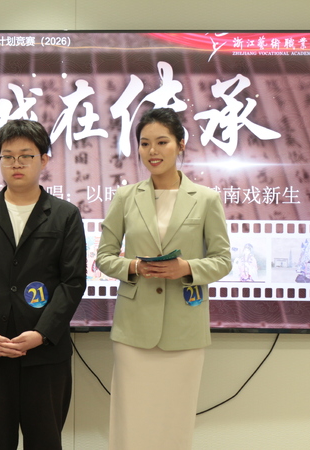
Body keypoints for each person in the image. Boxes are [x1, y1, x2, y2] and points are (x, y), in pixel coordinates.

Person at [96, 108, 232, 450]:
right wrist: (134, 267)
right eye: (144, 144)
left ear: (180, 145)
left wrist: (187, 269)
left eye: (162, 142)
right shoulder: (126, 197)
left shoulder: (206, 199)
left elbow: (222, 261)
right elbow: (104, 257)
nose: (152, 151)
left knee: (175, 418)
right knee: (131, 416)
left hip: (184, 328)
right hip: (134, 327)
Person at [0, 119, 86, 450]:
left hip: (45, 353)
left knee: (46, 442)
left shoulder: (65, 215)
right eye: (8, 157)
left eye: (26, 156)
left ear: (44, 160)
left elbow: (72, 281)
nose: (16, 164)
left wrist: (41, 333)